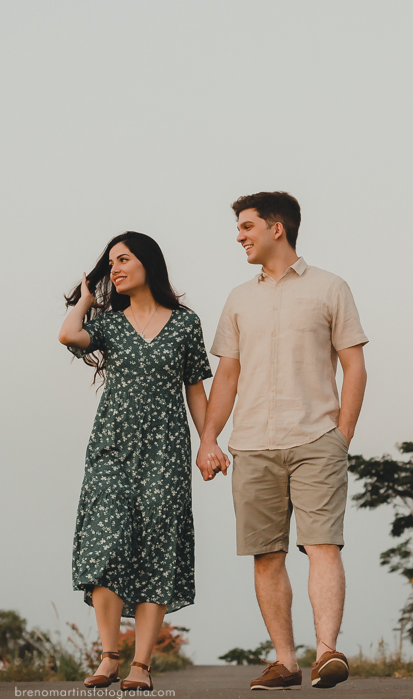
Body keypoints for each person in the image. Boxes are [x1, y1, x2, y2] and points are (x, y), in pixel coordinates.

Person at [198, 192, 368, 691]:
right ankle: (285, 662)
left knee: (322, 546)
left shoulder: (330, 288)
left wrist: (343, 434)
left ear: (277, 228)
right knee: (266, 555)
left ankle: (328, 652)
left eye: (247, 226)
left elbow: (354, 365)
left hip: (318, 437)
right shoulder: (238, 298)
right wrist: (209, 437)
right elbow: (226, 377)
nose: (239, 236)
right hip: (250, 443)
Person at [58, 231, 213, 692]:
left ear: (148, 263)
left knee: (157, 552)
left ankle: (141, 665)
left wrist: (210, 443)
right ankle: (109, 656)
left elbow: (195, 389)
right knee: (104, 547)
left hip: (166, 451)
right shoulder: (107, 324)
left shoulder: (186, 324)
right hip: (111, 448)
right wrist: (86, 298)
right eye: (111, 264)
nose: (116, 269)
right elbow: (68, 333)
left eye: (124, 260)